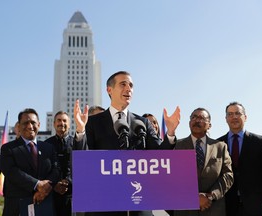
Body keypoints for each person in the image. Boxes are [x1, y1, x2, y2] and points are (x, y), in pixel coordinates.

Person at [73, 71, 181, 216]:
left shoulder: (142, 123)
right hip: (105, 206)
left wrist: (170, 133)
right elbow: (83, 161)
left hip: (139, 205)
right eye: (123, 84)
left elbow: (160, 157)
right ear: (109, 90)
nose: (128, 88)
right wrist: (80, 131)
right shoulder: (92, 122)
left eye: (131, 85)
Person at [166, 107, 233, 216]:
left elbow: (228, 176)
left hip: (214, 209)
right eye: (194, 117)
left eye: (202, 118)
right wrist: (193, 197)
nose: (197, 120)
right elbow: (171, 177)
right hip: (185, 210)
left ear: (209, 125)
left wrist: (210, 196)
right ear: (189, 122)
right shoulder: (177, 146)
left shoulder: (220, 147)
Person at [0, 108, 60, 216]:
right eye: (25, 123)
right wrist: (37, 185)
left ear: (39, 124)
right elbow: (11, 171)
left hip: (44, 203)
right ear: (19, 126)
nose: (30, 126)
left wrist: (46, 188)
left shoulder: (48, 148)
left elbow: (56, 170)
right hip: (17, 205)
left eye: (33, 122)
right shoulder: (8, 148)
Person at [217, 102, 262, 216]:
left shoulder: (259, 142)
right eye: (230, 114)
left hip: (256, 206)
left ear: (245, 117)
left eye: (237, 113)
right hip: (227, 207)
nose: (234, 117)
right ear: (226, 119)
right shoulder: (217, 144)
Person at [45, 111, 74, 216]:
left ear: (69, 125)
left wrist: (68, 181)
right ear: (54, 124)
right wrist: (55, 184)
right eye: (59, 120)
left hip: (72, 194)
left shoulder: (76, 143)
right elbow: (44, 169)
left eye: (65, 121)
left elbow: (81, 168)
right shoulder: (46, 145)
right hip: (51, 194)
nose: (62, 123)